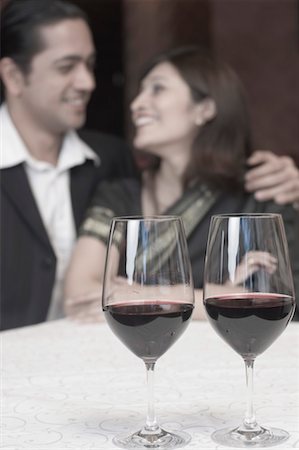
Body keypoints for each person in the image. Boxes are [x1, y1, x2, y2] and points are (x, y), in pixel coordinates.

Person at [64, 46, 299, 322]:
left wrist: (132, 294)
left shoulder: (262, 193)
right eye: (141, 91)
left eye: (157, 89)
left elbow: (277, 300)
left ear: (205, 109)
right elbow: (79, 294)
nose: (136, 103)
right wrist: (219, 295)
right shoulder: (118, 194)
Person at [0, 0, 135, 330]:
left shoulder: (111, 157)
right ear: (14, 76)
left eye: (89, 65)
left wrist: (281, 179)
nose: (87, 82)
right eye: (66, 67)